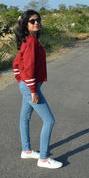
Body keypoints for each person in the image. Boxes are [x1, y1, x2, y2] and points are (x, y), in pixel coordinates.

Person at [12, 10, 63, 169]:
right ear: (26, 25)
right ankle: (44, 159)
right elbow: (28, 68)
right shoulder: (31, 42)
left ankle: (26, 151)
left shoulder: (30, 40)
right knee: (49, 120)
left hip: (27, 85)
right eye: (32, 21)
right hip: (30, 87)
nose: (36, 23)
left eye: (38, 20)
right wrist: (32, 89)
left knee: (24, 118)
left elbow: (16, 63)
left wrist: (20, 80)